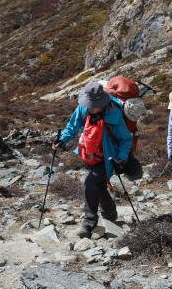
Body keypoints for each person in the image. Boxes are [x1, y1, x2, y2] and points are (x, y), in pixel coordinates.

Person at [53, 81, 133, 238]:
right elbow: (72, 126)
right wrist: (62, 140)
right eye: (88, 104)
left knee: (90, 182)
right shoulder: (84, 108)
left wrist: (122, 159)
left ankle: (89, 223)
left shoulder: (114, 114)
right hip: (89, 154)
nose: (89, 107)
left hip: (109, 157)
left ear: (102, 103)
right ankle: (110, 214)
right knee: (99, 184)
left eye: (93, 105)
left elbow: (125, 140)